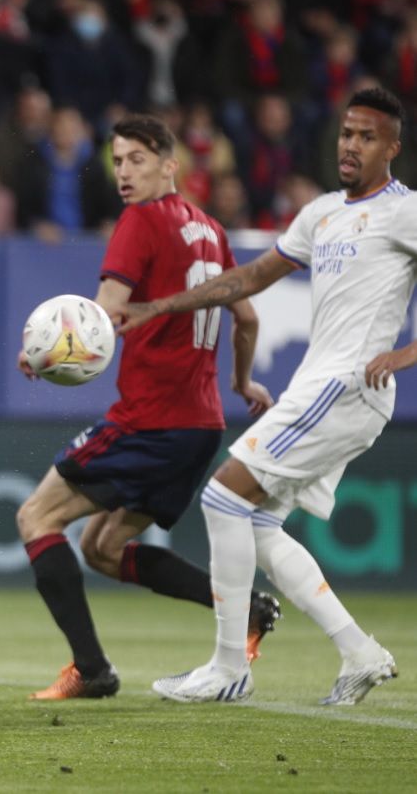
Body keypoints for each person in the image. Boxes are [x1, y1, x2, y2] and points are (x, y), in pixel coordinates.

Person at [118, 88, 406, 705]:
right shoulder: (322, 213)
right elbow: (248, 278)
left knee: (224, 495)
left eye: (367, 137)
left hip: (347, 385)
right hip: (318, 385)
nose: (351, 146)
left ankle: (227, 668)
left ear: (393, 149)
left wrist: (404, 354)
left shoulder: (405, 212)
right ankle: (360, 653)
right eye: (347, 133)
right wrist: (158, 306)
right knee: (255, 522)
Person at [15, 114, 279, 701]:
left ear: (170, 164)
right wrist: (242, 382)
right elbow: (248, 314)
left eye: (137, 159)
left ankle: (92, 669)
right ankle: (249, 610)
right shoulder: (210, 228)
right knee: (102, 549)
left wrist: (43, 355)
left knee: (35, 518)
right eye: (117, 161)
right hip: (201, 424)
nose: (124, 173)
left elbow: (101, 315)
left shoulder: (141, 221)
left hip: (152, 419)